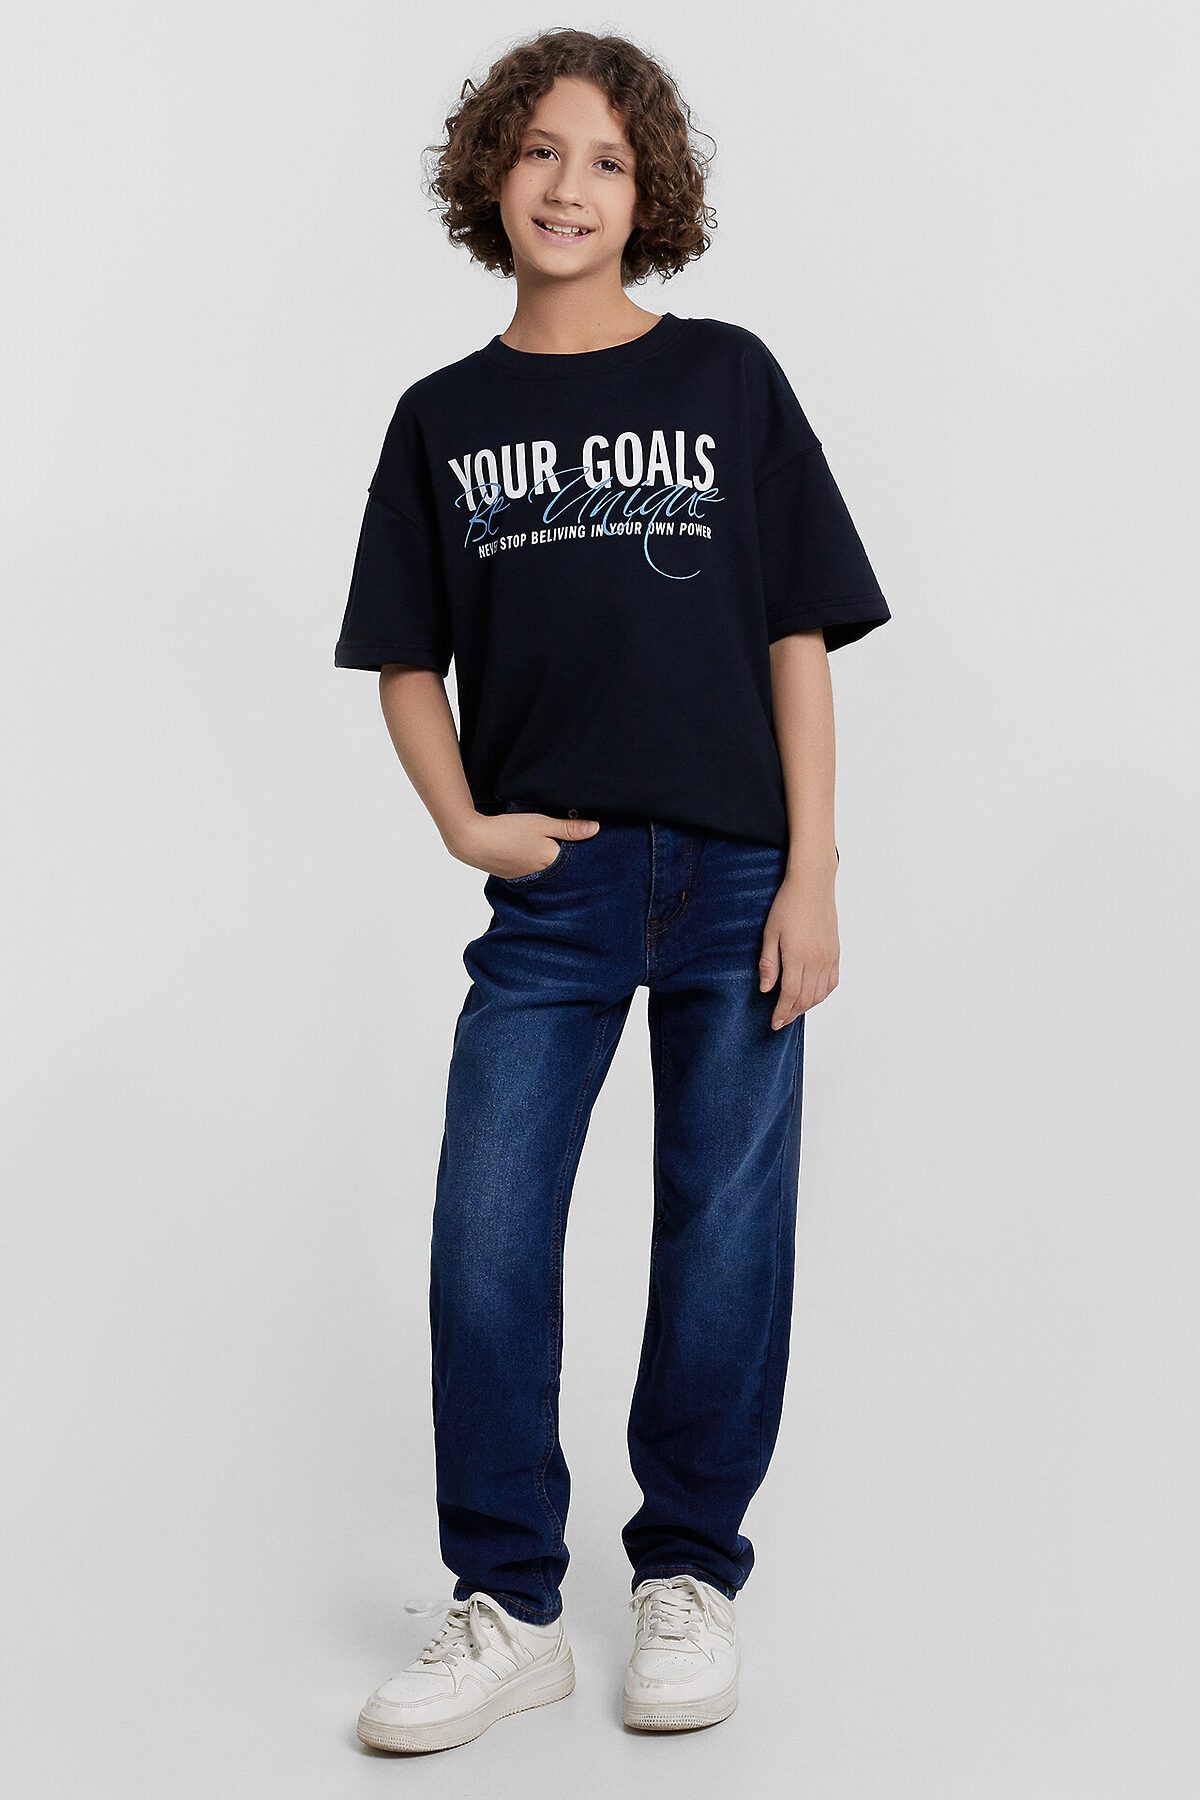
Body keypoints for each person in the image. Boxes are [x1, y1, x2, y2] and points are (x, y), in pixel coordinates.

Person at [335, 28, 891, 1754]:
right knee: (488, 1228)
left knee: (724, 1225)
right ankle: (509, 1603)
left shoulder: (729, 378)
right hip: (556, 892)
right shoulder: (443, 420)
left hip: (736, 877)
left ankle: (690, 1574)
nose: (568, 187)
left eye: (607, 161)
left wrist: (813, 872)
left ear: (650, 195)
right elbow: (403, 660)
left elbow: (796, 637)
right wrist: (464, 825)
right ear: (489, 173)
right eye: (540, 152)